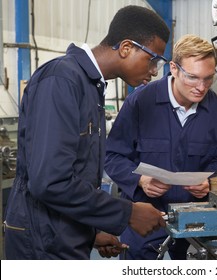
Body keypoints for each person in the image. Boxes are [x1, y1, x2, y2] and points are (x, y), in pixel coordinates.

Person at [4, 5, 170, 260]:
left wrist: (90, 234)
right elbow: (50, 182)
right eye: (153, 59)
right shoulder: (61, 80)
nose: (155, 71)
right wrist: (128, 213)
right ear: (126, 48)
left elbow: (75, 175)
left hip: (63, 236)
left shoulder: (91, 87)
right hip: (40, 246)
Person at [104, 34, 217, 260]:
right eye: (193, 78)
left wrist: (210, 182)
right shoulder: (140, 102)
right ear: (174, 68)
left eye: (208, 78)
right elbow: (113, 156)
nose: (201, 87)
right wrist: (140, 180)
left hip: (197, 220)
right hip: (145, 219)